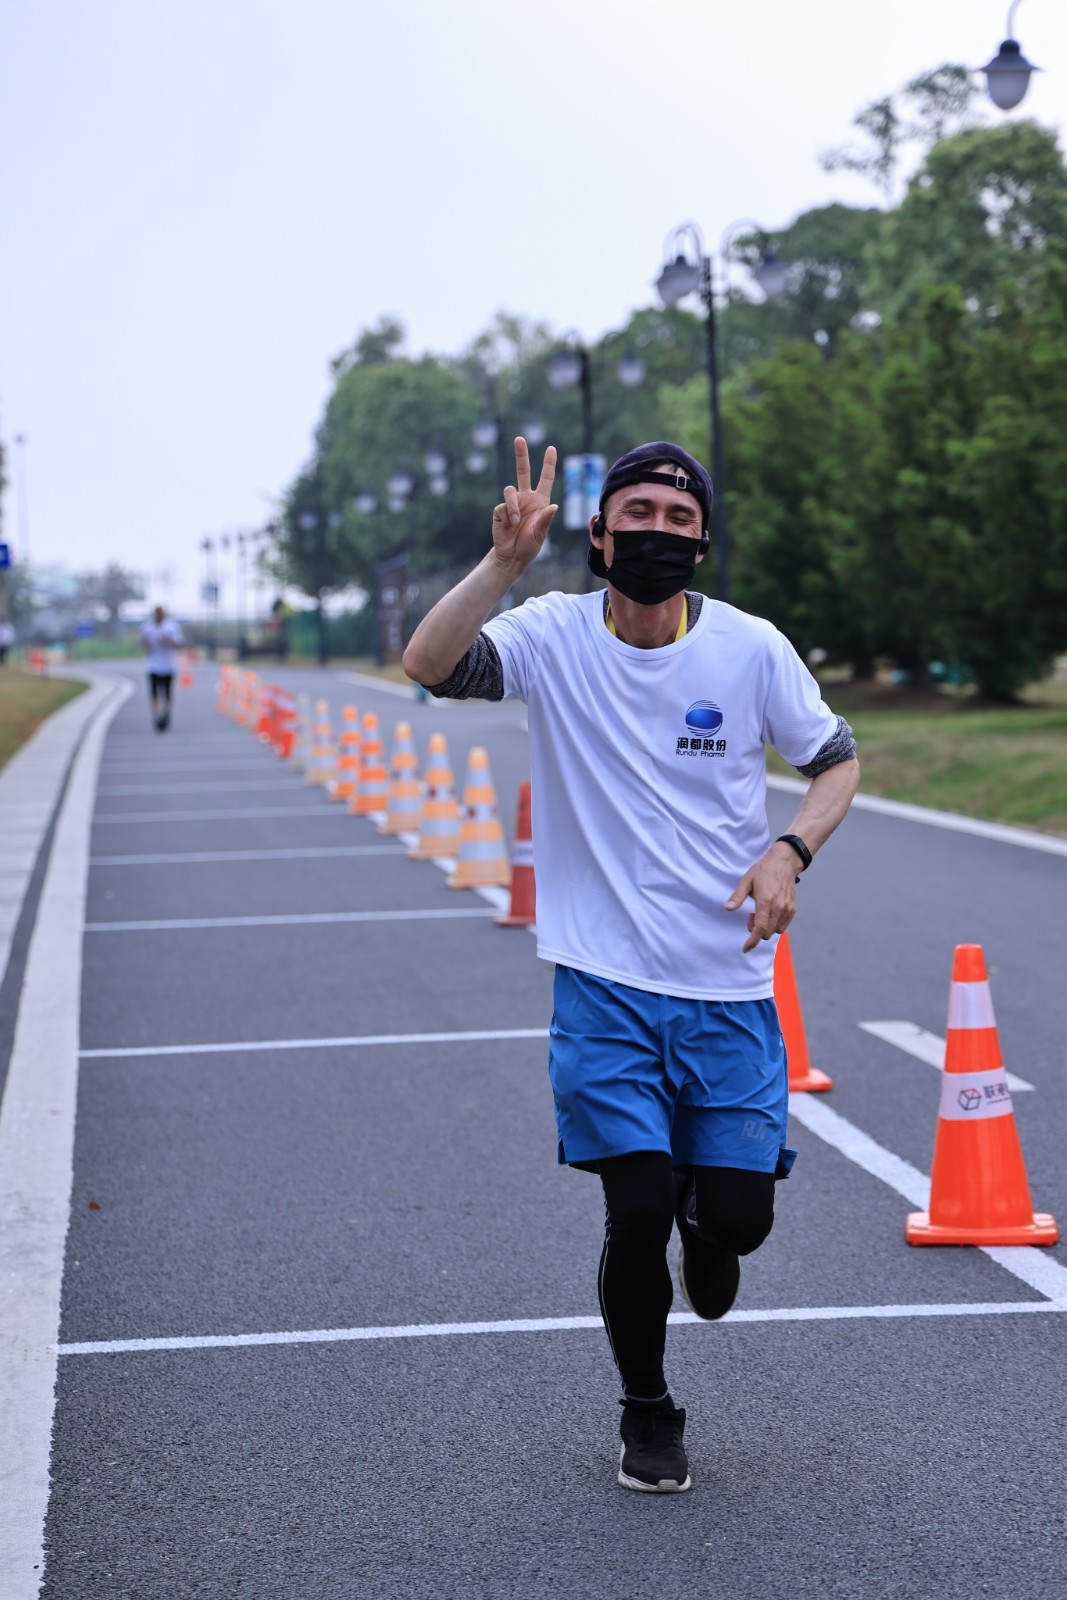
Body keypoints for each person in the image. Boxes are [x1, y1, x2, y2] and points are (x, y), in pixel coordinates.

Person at [402, 438, 860, 1495]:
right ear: (599, 535)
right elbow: (428, 666)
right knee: (634, 1207)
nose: (657, 531)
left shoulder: (749, 648)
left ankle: (711, 1213)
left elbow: (834, 761)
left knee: (733, 1226)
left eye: (677, 518)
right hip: (602, 983)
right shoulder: (551, 634)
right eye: (637, 514)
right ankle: (647, 1412)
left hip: (727, 984)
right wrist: (502, 564)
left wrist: (788, 852)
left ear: (700, 543)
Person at [139, 605, 184, 730]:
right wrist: (147, 646)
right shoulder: (147, 627)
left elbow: (178, 643)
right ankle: (156, 716)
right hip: (153, 665)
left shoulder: (171, 627)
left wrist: (166, 641)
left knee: (167, 692)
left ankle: (166, 712)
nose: (158, 616)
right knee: (154, 693)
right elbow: (142, 641)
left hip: (168, 665)